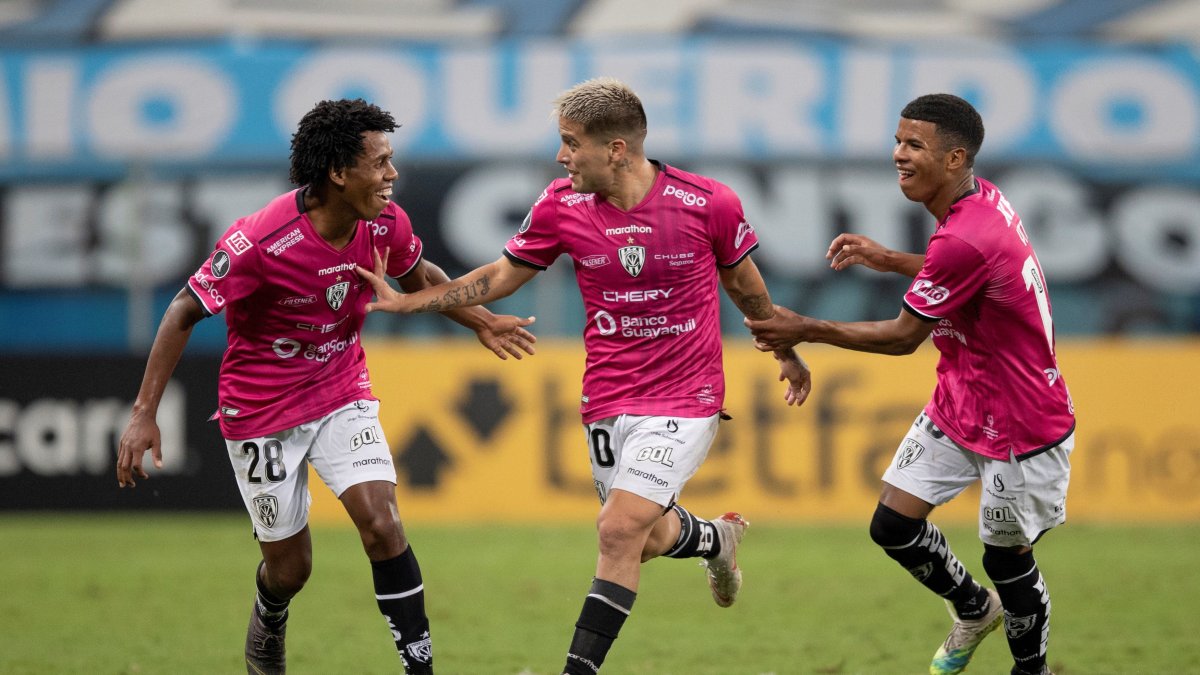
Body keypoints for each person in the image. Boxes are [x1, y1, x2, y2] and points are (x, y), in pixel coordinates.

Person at [356, 77, 811, 673]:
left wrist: (784, 350)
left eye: (571, 143)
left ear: (616, 149)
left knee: (617, 528)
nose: (561, 156)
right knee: (642, 538)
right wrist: (409, 303)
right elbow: (499, 277)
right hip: (606, 398)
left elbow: (747, 288)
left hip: (686, 396)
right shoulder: (559, 206)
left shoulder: (708, 203)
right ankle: (716, 541)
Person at [115, 98, 537, 675]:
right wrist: (144, 413)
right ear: (339, 172)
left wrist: (484, 322)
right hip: (261, 410)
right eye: (380, 162)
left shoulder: (386, 220)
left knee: (383, 524)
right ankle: (270, 611)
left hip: (342, 390)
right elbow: (181, 312)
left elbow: (424, 278)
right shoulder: (260, 241)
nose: (392, 175)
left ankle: (421, 668)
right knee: (291, 570)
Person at [746, 93, 1074, 675]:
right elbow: (963, 271)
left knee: (1007, 561)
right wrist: (893, 259)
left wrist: (807, 327)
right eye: (898, 140)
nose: (898, 154)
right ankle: (974, 610)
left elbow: (902, 337)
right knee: (893, 524)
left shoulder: (965, 236)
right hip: (961, 399)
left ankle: (1033, 670)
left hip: (1021, 422)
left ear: (954, 159)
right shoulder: (979, 202)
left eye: (913, 145)